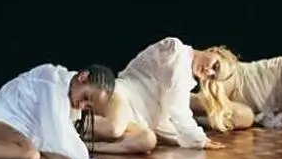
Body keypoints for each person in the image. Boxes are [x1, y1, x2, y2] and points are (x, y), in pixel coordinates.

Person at [90, 37, 236, 153]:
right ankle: (79, 127)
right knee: (115, 127)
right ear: (214, 50)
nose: (208, 71)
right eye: (215, 65)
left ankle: (89, 147)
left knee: (148, 140)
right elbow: (178, 109)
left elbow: (164, 122)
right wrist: (198, 138)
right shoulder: (175, 49)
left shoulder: (186, 81)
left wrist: (200, 141)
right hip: (121, 96)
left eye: (212, 76)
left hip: (136, 118)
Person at [0, 63, 117, 159]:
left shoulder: (68, 97)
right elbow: (58, 140)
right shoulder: (51, 81)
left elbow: (66, 141)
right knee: (29, 154)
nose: (81, 106)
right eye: (85, 98)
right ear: (83, 77)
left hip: (18, 140)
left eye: (88, 107)